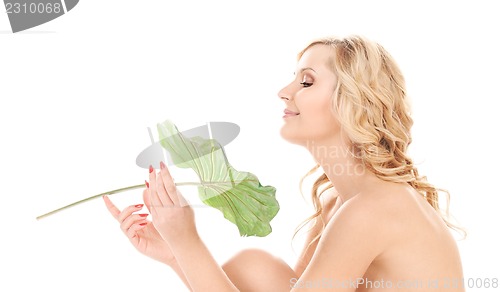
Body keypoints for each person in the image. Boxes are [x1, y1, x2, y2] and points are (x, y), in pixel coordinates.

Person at [103, 35, 465, 291]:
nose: (285, 91)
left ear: (353, 103)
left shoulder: (375, 208)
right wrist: (174, 254)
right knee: (255, 270)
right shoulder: (338, 205)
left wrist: (187, 242)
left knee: (254, 269)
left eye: (307, 81)